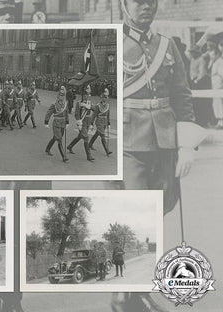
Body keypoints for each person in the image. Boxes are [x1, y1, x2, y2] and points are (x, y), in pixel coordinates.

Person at [111, 0, 204, 311]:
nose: (147, 7)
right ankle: (129, 295)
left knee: (159, 213)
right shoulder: (109, 40)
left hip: (163, 143)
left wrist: (187, 145)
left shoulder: (167, 45)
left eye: (152, 1)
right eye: (139, 1)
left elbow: (182, 95)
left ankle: (137, 289)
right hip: (128, 143)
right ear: (123, 5)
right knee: (137, 214)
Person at [67, 84, 95, 161]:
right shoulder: (79, 103)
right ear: (82, 95)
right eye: (85, 95)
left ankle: (70, 146)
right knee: (86, 137)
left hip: (88, 121)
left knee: (80, 136)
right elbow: (76, 114)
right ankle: (88, 156)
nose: (86, 96)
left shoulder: (89, 102)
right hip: (82, 122)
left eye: (87, 95)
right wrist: (79, 122)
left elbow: (95, 109)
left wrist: (89, 107)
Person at [44, 86, 69, 162]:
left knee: (56, 137)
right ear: (58, 95)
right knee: (60, 140)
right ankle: (64, 156)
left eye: (63, 95)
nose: (61, 97)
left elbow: (66, 114)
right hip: (56, 123)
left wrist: (67, 122)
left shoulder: (65, 104)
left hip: (62, 124)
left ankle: (47, 149)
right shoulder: (54, 104)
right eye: (60, 95)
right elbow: (49, 113)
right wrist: (46, 122)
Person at [88, 88, 112, 156]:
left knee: (97, 134)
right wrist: (92, 123)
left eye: (106, 97)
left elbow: (108, 115)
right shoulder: (98, 106)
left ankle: (90, 144)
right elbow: (94, 115)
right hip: (99, 122)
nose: (105, 99)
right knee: (103, 136)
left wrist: (108, 123)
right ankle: (107, 150)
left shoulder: (108, 106)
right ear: (101, 98)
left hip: (104, 122)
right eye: (103, 97)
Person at [210, 36, 223, 129]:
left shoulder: (220, 62)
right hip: (215, 86)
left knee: (219, 103)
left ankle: (221, 122)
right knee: (216, 103)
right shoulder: (215, 62)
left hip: (219, 86)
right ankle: (219, 121)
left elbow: (221, 73)